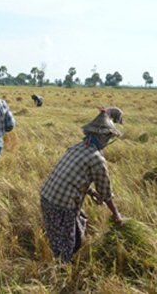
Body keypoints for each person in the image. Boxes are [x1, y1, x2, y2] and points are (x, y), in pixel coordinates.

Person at [40, 107, 123, 263]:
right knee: (65, 246)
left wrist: (91, 192)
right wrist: (116, 214)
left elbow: (73, 176)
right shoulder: (97, 158)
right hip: (61, 204)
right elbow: (105, 191)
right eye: (108, 137)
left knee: (77, 223)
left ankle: (61, 257)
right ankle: (60, 272)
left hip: (47, 196)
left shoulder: (78, 146)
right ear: (103, 136)